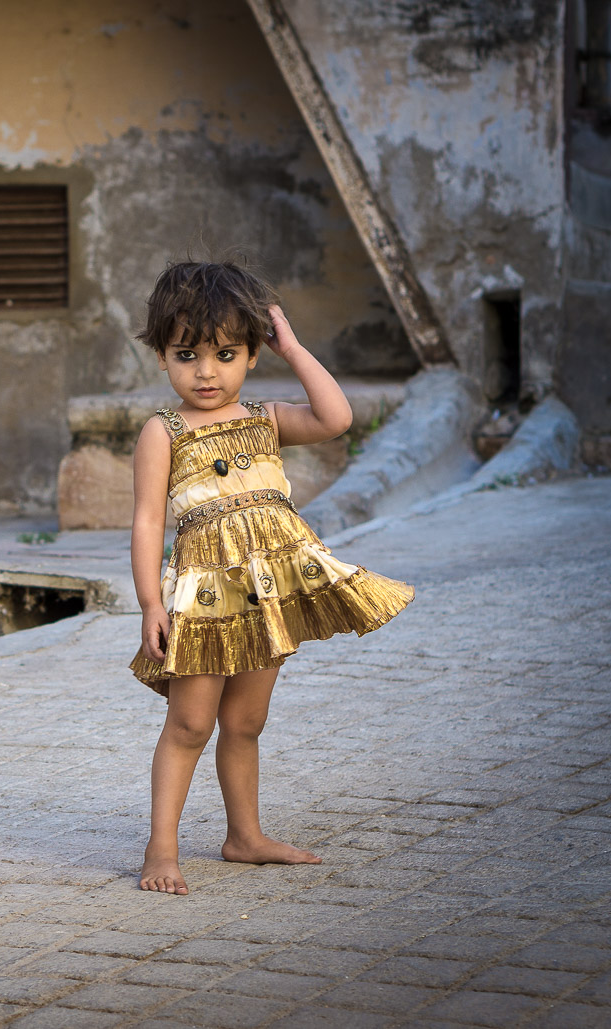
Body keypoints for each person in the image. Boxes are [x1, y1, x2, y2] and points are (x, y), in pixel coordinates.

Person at [128, 260, 414, 895]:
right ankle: (161, 847)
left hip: (267, 594)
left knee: (246, 722)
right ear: (161, 358)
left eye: (226, 353)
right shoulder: (163, 432)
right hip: (201, 597)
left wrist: (293, 345)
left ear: (253, 354)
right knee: (190, 723)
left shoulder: (268, 418)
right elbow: (149, 522)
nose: (207, 371)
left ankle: (244, 836)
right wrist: (151, 603)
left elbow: (336, 417)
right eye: (187, 354)